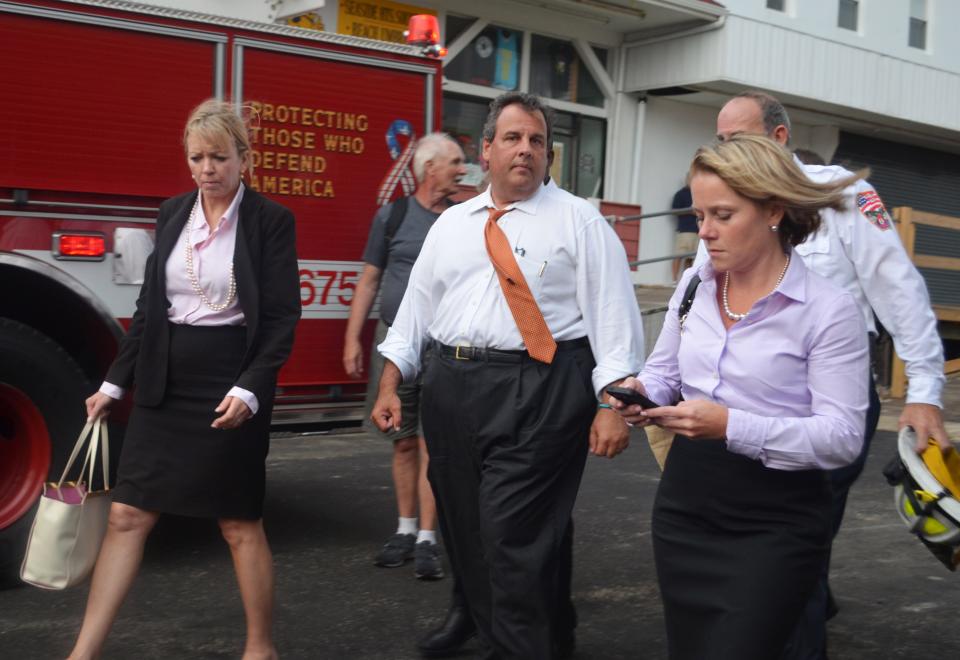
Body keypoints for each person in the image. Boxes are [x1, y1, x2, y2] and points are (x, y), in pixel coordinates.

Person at [373, 91, 643, 659]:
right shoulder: (451, 225)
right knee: (466, 525)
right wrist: (392, 379)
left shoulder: (580, 222)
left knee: (511, 537)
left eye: (538, 141)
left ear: (549, 156)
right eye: (514, 138)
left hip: (540, 388)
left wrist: (611, 405)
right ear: (487, 150)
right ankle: (478, 615)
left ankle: (518, 644)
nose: (526, 150)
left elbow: (615, 323)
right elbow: (417, 310)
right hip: (451, 386)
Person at [704, 90, 949, 659]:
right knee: (759, 554)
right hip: (743, 403)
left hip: (825, 399)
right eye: (720, 141)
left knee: (789, 550)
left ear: (779, 138)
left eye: (736, 138)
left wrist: (925, 392)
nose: (726, 151)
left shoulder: (840, 195)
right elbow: (701, 300)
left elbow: (900, 289)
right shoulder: (726, 205)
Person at [614, 134, 870, 659]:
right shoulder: (694, 284)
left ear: (774, 210)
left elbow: (842, 438)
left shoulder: (829, 310)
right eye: (699, 213)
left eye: (722, 215)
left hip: (777, 521)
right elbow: (663, 372)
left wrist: (731, 424)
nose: (702, 231)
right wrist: (639, 394)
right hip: (686, 506)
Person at [68, 99, 300, 660]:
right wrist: (114, 384)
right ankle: (83, 653)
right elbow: (149, 309)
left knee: (238, 522)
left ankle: (260, 648)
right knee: (126, 514)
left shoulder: (270, 221)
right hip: (165, 379)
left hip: (230, 380)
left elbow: (280, 318)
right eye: (196, 157)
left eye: (219, 157)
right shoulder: (173, 212)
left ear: (244, 158)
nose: (206, 169)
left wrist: (250, 389)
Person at [343, 133, 467, 580]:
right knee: (404, 441)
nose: (462, 169)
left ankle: (429, 539)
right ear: (429, 167)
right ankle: (404, 528)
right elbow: (370, 279)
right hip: (395, 344)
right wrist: (353, 339)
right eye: (455, 162)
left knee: (434, 443)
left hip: (443, 349)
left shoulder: (462, 220)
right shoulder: (393, 216)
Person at [670, 179, 698, 281]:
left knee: (690, 258)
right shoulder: (680, 194)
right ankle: (674, 281)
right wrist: (690, 211)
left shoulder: (698, 194)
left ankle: (686, 281)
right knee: (679, 255)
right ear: (687, 180)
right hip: (684, 230)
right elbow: (674, 211)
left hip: (698, 230)